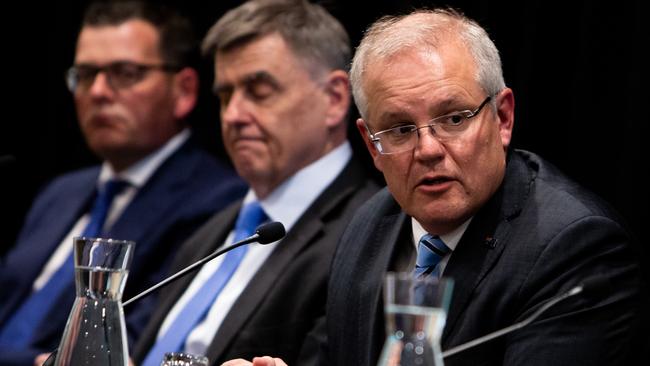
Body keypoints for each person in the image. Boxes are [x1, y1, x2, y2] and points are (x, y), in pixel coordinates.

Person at [225, 7, 647, 366]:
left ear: (502, 118)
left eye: (454, 118)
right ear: (371, 145)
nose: (428, 149)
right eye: (400, 129)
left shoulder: (574, 247)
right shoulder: (369, 225)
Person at [131, 0, 379, 365]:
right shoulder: (211, 233)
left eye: (259, 90)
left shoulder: (368, 237)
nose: (233, 115)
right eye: (225, 95)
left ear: (335, 98)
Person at [0, 2, 246, 365]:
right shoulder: (60, 193)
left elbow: (122, 347)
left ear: (184, 90)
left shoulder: (217, 202)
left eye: (125, 73)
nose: (98, 91)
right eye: (85, 74)